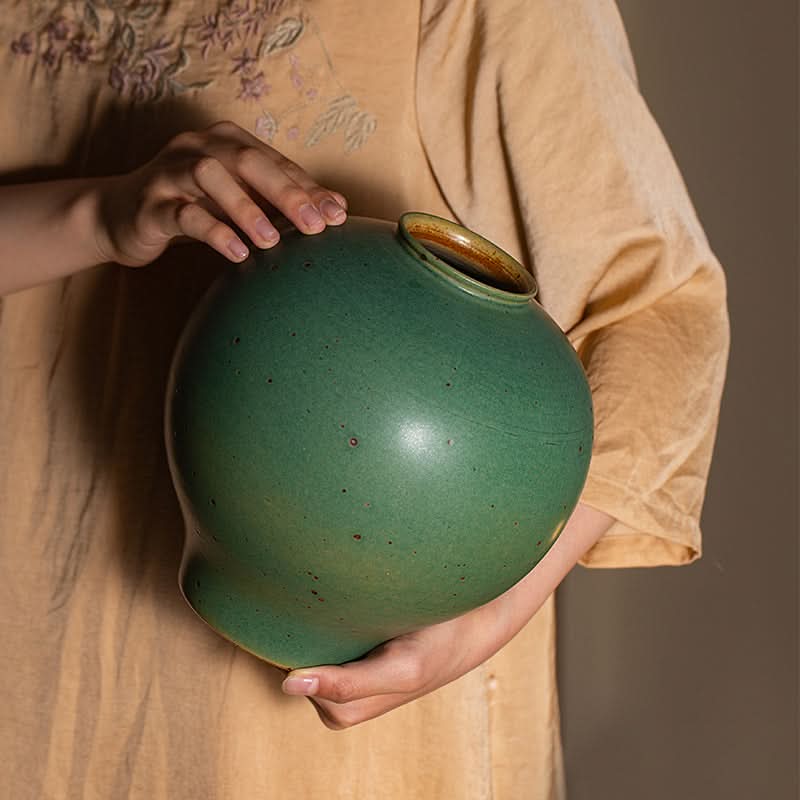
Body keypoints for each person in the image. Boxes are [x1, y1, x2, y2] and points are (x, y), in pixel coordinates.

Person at [0, 1, 729, 798]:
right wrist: (99, 213)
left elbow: (664, 311)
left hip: (326, 710)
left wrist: (482, 623)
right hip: (32, 642)